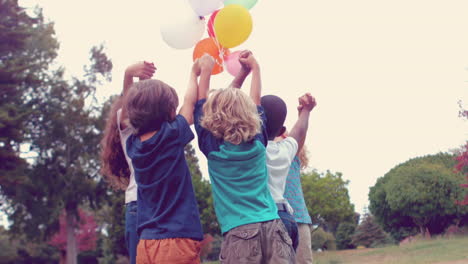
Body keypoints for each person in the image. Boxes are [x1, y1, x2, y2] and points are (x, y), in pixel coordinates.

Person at [194, 50, 295, 264]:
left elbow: (201, 106)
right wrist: (254, 69)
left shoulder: (213, 150)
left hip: (240, 233)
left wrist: (205, 71)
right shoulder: (258, 143)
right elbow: (256, 102)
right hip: (274, 226)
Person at [125, 55, 214, 264]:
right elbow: (190, 105)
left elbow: (137, 107)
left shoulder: (133, 145)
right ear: (170, 112)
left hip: (146, 242)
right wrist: (195, 73)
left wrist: (136, 83)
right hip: (177, 239)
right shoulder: (171, 136)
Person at [100, 61, 156, 264]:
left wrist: (144, 85)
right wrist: (128, 76)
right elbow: (131, 113)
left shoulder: (165, 129)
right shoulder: (129, 130)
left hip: (161, 204)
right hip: (139, 204)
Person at [261, 93, 317, 251]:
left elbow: (298, 134)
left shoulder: (286, 153)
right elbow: (297, 134)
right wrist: (305, 112)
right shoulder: (276, 151)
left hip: (285, 217)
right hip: (280, 217)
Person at [284, 146, 314, 264]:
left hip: (299, 218)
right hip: (273, 219)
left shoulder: (293, 156)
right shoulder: (265, 154)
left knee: (304, 260)